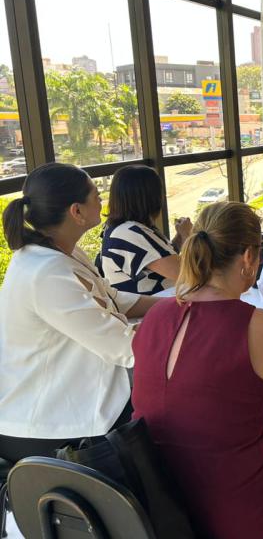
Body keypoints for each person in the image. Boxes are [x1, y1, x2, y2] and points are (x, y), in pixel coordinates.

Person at [132, 202, 263, 539]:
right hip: (234, 507)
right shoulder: (258, 324)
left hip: (158, 496)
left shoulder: (157, 314)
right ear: (249, 257)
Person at [0, 163, 158, 463]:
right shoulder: (46, 273)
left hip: (73, 395)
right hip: (49, 422)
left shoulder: (62, 253)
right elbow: (123, 347)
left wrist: (180, 303)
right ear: (77, 211)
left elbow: (113, 299)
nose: (102, 201)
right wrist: (179, 324)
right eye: (96, 196)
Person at [100, 165, 193, 295]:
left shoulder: (125, 228)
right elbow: (187, 274)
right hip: (154, 306)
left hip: (159, 302)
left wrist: (181, 236)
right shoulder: (129, 233)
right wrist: (189, 236)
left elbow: (162, 258)